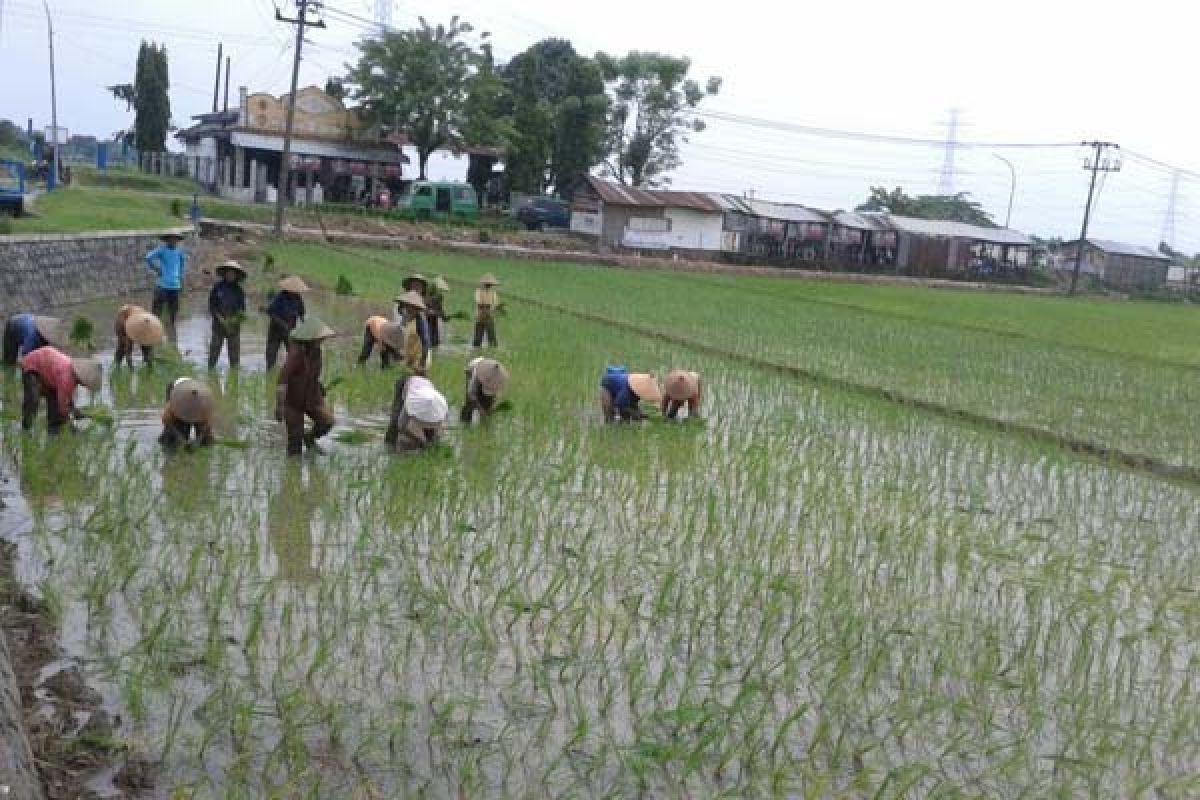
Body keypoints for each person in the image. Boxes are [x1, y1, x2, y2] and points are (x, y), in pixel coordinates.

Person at [276, 316, 335, 456]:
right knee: (295, 443)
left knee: (327, 422)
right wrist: (279, 406)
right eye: (319, 338)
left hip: (312, 397)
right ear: (310, 338)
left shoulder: (317, 352)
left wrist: (319, 386)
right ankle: (293, 474)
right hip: (293, 401)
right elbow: (282, 380)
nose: (322, 340)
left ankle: (309, 438)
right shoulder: (295, 354)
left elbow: (312, 374)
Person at [19, 346, 102, 434]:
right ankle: (26, 429)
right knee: (33, 399)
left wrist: (74, 410)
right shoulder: (67, 378)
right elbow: (62, 408)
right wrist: (72, 427)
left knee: (54, 411)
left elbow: (67, 399)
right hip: (33, 365)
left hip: (49, 371)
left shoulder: (72, 377)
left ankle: (53, 433)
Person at [384, 374, 448, 452]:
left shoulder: (440, 405)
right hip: (405, 383)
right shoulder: (412, 400)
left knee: (432, 438)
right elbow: (401, 425)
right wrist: (420, 441)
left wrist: (432, 443)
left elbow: (439, 431)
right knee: (395, 420)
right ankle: (389, 447)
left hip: (426, 385)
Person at [145, 232, 188, 339]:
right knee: (157, 312)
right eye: (170, 239)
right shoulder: (162, 250)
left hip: (175, 286)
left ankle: (171, 336)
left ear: (177, 241)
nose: (173, 241)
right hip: (162, 285)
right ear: (167, 240)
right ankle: (153, 334)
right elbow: (148, 258)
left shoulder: (179, 252)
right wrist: (156, 269)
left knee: (173, 312)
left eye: (175, 239)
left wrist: (180, 279)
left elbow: (182, 266)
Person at [208, 260, 247, 370]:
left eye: (233, 273)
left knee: (234, 361)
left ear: (236, 275)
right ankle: (210, 373)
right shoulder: (217, 287)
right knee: (213, 356)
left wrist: (234, 321)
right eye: (228, 272)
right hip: (218, 326)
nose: (230, 275)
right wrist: (220, 319)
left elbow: (242, 311)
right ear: (225, 273)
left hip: (233, 328)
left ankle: (234, 378)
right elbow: (212, 306)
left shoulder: (239, 291)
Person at [265, 275, 309, 370]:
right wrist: (281, 323)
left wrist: (306, 327)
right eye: (293, 289)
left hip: (290, 330)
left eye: (296, 289)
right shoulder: (280, 297)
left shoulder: (298, 298)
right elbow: (270, 312)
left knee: (293, 353)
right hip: (275, 330)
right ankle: (269, 373)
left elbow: (302, 314)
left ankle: (291, 372)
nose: (295, 291)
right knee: (271, 354)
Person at [159, 377, 216, 448]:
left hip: (194, 387)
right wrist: (182, 440)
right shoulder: (175, 403)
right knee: (171, 437)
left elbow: (206, 427)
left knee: (206, 440)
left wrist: (198, 441)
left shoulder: (203, 405)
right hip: (177, 389)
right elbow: (167, 422)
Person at [460, 357, 509, 424]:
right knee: (469, 403)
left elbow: (494, 395)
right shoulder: (475, 375)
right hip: (471, 370)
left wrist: (490, 408)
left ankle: (485, 424)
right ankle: (465, 422)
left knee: (488, 405)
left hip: (488, 378)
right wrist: (480, 409)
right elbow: (471, 394)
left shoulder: (498, 378)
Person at [395, 290, 430, 374]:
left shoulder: (420, 322)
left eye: (410, 306)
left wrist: (422, 364)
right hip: (410, 357)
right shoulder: (409, 318)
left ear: (416, 308)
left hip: (419, 359)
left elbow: (426, 343)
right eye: (406, 306)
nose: (408, 308)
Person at [473, 273, 500, 348]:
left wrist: (492, 309)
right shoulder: (478, 291)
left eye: (490, 284)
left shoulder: (493, 292)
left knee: (491, 335)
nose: (488, 285)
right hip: (480, 314)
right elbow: (478, 301)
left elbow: (496, 303)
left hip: (489, 314)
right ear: (484, 284)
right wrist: (484, 307)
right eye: (487, 284)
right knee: (478, 337)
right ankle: (476, 349)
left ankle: (492, 348)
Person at [427, 276, 450, 348]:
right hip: (426, 320)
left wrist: (444, 317)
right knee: (428, 338)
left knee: (435, 341)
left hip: (434, 320)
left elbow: (440, 309)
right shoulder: (426, 296)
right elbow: (424, 309)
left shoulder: (439, 297)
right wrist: (432, 312)